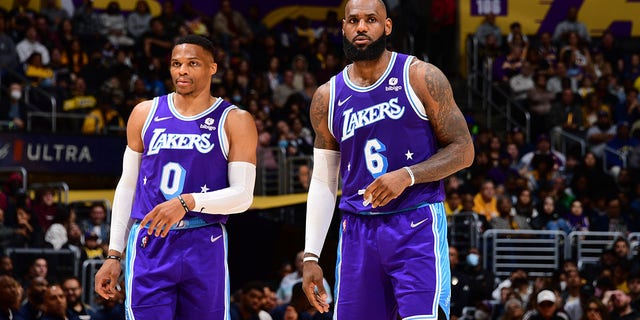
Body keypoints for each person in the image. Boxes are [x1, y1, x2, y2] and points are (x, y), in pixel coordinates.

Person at [301, 1, 474, 319]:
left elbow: (463, 150)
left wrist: (407, 175)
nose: (362, 27)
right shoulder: (328, 96)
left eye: (371, 20)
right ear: (343, 27)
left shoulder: (420, 76)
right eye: (353, 20)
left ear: (388, 26)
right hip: (357, 231)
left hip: (415, 223)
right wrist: (311, 255)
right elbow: (324, 179)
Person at [94, 35, 258, 319]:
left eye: (192, 63)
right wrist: (113, 254)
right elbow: (127, 185)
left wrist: (187, 202)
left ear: (213, 68)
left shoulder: (234, 119)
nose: (182, 70)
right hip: (150, 242)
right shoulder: (144, 113)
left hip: (204, 240)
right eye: (176, 64)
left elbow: (243, 196)